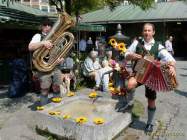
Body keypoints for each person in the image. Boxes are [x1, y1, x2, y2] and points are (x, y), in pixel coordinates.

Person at [125, 23, 176, 133]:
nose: (147, 32)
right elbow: (126, 55)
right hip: (139, 73)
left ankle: (149, 123)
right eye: (145, 30)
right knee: (129, 85)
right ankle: (129, 105)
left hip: (151, 77)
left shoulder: (159, 46)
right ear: (142, 32)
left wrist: (171, 66)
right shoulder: (136, 43)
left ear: (153, 32)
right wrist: (131, 56)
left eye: (149, 30)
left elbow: (170, 59)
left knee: (151, 100)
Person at [28, 18, 63, 108]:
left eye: (49, 25)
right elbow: (30, 47)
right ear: (41, 27)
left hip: (56, 67)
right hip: (43, 68)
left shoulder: (57, 37)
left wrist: (61, 58)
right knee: (45, 89)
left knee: (57, 87)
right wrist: (43, 43)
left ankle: (57, 106)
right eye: (45, 25)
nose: (47, 27)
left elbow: (62, 51)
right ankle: (44, 109)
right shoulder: (38, 36)